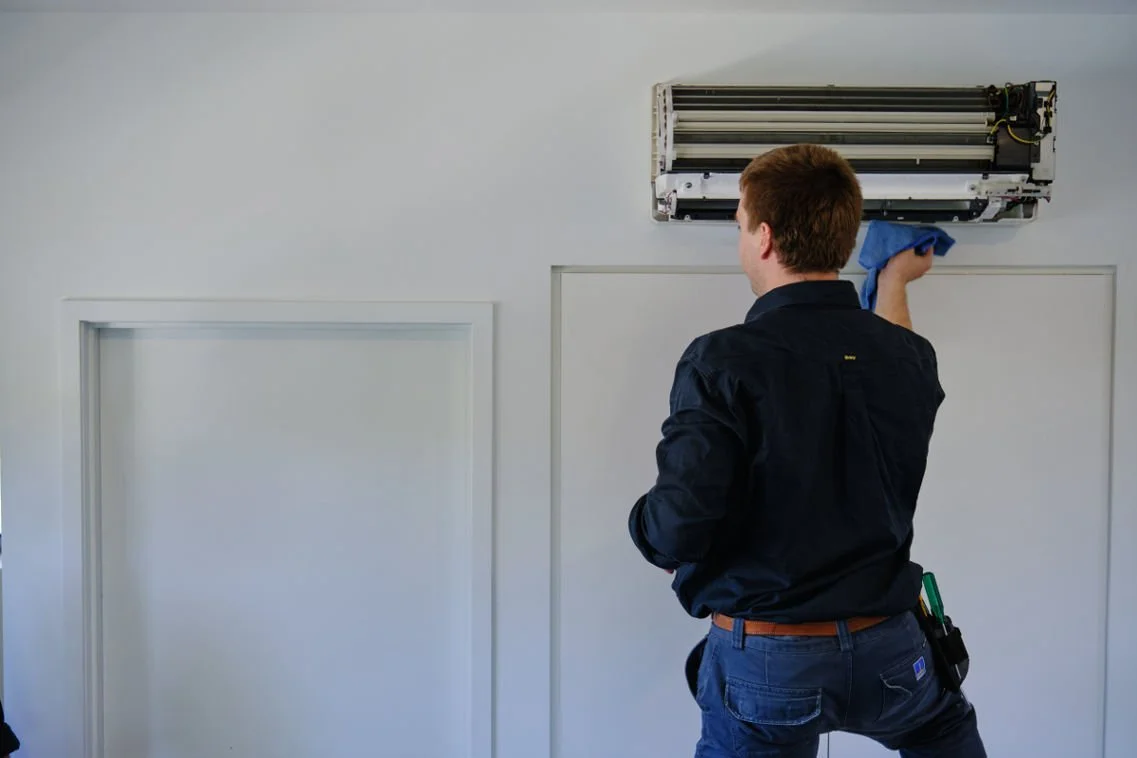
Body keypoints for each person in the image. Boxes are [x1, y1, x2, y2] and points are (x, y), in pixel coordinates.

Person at [628, 143, 986, 757]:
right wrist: (894, 278)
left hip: (771, 661)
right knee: (944, 730)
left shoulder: (721, 359)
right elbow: (890, 343)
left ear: (764, 238)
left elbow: (677, 527)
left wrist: (654, 534)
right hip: (890, 654)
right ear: (842, 241)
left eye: (740, 225)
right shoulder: (909, 358)